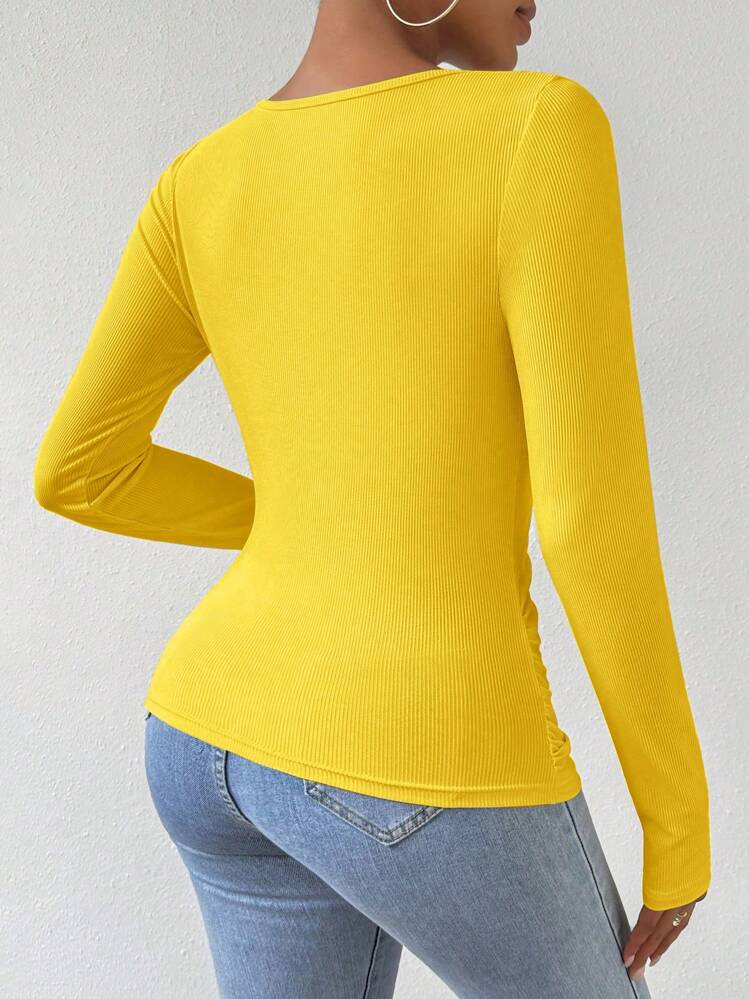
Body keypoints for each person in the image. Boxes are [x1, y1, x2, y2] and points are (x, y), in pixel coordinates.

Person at [32, 0, 711, 995]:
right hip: (419, 740)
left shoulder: (199, 181)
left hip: (204, 737)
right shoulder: (536, 124)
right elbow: (586, 523)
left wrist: (309, 526)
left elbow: (78, 469)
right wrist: (677, 827)